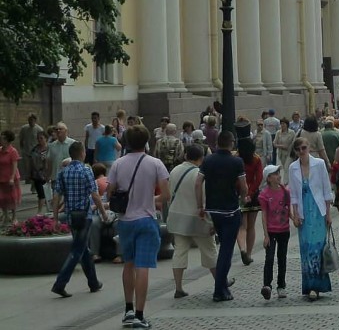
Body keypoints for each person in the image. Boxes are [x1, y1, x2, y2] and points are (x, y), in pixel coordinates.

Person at [108, 124, 170, 329]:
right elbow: (166, 195)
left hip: (125, 221)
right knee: (143, 266)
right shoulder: (155, 163)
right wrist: (151, 199)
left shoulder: (118, 164)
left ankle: (128, 310)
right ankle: (140, 315)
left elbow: (110, 193)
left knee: (129, 264)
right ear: (146, 142)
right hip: (146, 218)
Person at [51, 141, 108, 297]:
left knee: (83, 249)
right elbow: (95, 195)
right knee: (77, 250)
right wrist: (103, 212)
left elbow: (56, 196)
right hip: (85, 215)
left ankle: (93, 282)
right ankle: (60, 283)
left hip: (70, 215)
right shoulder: (86, 170)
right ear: (82, 153)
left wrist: (55, 218)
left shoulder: (63, 172)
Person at [195, 130, 247, 302]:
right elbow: (243, 185)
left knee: (223, 248)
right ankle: (219, 290)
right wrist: (242, 199)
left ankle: (222, 287)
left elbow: (198, 182)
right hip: (230, 210)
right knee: (226, 250)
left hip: (213, 210)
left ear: (218, 143)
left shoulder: (208, 160)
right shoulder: (236, 161)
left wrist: (200, 206)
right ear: (231, 142)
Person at [167, 143, 218, 298]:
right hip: (198, 218)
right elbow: (205, 198)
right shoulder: (200, 174)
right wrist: (212, 221)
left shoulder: (175, 171)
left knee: (180, 251)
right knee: (209, 250)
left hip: (177, 216)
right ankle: (220, 280)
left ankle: (178, 287)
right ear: (201, 158)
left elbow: (170, 193)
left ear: (185, 155)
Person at [289, 136, 333, 299]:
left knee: (317, 248)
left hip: (318, 210)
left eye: (304, 148)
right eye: (298, 149)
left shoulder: (319, 164)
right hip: (303, 212)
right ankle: (308, 285)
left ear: (309, 148)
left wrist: (328, 214)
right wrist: (294, 215)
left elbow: (326, 190)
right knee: (306, 249)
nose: (302, 151)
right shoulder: (293, 168)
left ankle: (317, 286)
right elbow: (293, 194)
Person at [259, 164, 290, 300]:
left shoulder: (285, 191)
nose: (279, 176)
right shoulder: (264, 195)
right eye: (275, 174)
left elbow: (288, 208)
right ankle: (267, 285)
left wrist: (294, 218)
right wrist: (265, 235)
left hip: (284, 230)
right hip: (271, 231)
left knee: (282, 258)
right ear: (269, 178)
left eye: (279, 173)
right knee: (269, 258)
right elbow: (264, 215)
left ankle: (281, 285)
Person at [236, 139, 263, 266]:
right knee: (251, 226)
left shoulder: (236, 158)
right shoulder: (256, 159)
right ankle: (249, 253)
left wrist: (242, 192)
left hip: (238, 194)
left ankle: (242, 248)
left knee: (242, 226)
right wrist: (251, 192)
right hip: (252, 195)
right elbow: (259, 178)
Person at [0, 130, 22, 225]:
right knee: (2, 198)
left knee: (12, 198)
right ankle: (5, 216)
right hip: (1, 178)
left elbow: (14, 165)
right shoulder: (0, 150)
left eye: (3, 138)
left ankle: (14, 216)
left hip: (11, 178)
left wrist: (12, 178)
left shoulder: (13, 151)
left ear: (8, 140)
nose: (1, 139)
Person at [30, 131, 52, 214]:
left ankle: (48, 210)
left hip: (48, 174)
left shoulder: (50, 148)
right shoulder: (34, 149)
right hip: (37, 175)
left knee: (48, 194)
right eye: (38, 138)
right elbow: (31, 161)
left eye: (41, 138)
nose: (39, 140)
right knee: (41, 194)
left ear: (46, 139)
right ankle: (39, 212)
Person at [19, 113, 43, 185]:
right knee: (27, 166)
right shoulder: (24, 128)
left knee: (35, 167)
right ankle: (28, 179)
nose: (30, 122)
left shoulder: (39, 129)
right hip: (26, 151)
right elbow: (21, 139)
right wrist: (22, 149)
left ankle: (34, 182)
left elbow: (42, 140)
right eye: (29, 120)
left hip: (35, 151)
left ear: (35, 120)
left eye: (32, 120)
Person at [273, 118, 295, 183]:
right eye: (281, 124)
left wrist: (279, 145)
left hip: (289, 153)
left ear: (287, 125)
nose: (282, 125)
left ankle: (286, 182)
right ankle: (289, 180)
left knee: (286, 167)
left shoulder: (291, 132)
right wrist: (281, 146)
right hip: (281, 154)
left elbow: (289, 145)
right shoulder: (278, 133)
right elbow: (274, 143)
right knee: (285, 167)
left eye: (284, 124)